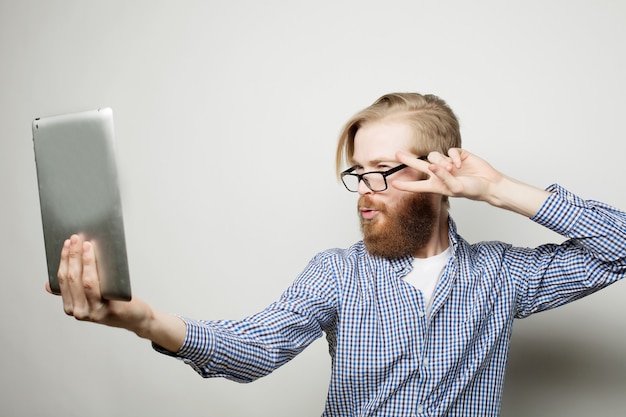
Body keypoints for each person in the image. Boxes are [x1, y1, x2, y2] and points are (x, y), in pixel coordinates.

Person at [50, 92, 626, 416]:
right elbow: (250, 350)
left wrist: (500, 190)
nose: (366, 193)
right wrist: (140, 319)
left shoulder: (502, 276)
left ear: (441, 172)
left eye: (384, 171)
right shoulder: (337, 273)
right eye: (359, 173)